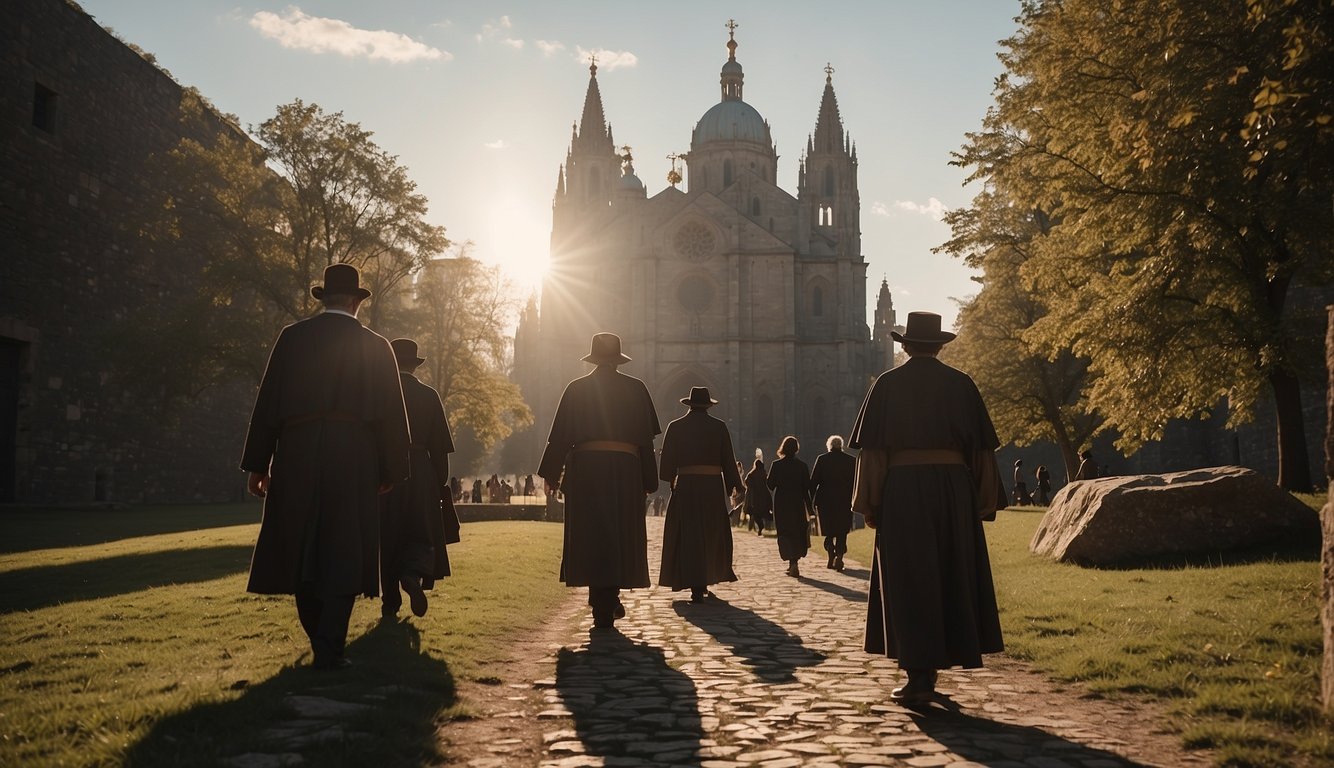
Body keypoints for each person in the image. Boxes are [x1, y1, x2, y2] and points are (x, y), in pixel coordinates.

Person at [240, 263, 410, 670]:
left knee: (301, 543)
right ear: (355, 302)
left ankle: (321, 639)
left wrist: (258, 463)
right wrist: (390, 470)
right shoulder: (376, 346)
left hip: (296, 450)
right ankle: (329, 644)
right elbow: (391, 415)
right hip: (353, 454)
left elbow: (267, 404)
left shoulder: (292, 339)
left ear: (325, 299)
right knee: (345, 546)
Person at [849, 310, 1005, 703]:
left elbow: (875, 452)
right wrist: (983, 502)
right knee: (950, 572)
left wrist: (869, 502)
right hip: (953, 491)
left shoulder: (887, 385)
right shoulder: (961, 384)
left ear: (906, 345)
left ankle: (919, 673)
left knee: (909, 577)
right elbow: (982, 452)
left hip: (903, 490)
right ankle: (932, 669)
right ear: (938, 345)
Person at [538, 333, 660, 629]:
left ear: (593, 358)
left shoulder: (576, 389)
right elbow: (645, 442)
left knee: (591, 534)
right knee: (619, 533)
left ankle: (601, 599)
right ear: (618, 360)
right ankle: (609, 597)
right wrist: (648, 480)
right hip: (624, 471)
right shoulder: (636, 389)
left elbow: (560, 439)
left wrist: (551, 475)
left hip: (586, 472)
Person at [379, 338, 458, 620]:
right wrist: (439, 482)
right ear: (414, 365)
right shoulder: (429, 395)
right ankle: (411, 574)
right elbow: (440, 446)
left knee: (388, 535)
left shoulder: (380, 394)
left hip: (387, 472)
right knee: (420, 531)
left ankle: (390, 603)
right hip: (422, 471)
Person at [657, 387, 744, 602]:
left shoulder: (675, 427)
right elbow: (728, 460)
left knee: (688, 533)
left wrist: (672, 480)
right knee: (711, 533)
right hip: (712, 487)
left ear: (689, 404)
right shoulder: (719, 427)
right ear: (708, 405)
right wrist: (735, 485)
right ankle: (705, 577)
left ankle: (693, 580)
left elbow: (666, 465)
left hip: (686, 485)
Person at [767, 435, 812, 577]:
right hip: (797, 502)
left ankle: (791, 562)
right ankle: (794, 562)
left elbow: (770, 485)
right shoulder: (802, 466)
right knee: (797, 531)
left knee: (785, 532)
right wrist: (810, 508)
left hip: (782, 503)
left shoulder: (776, 465)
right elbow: (806, 489)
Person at [810, 434, 856, 572]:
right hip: (845, 501)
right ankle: (840, 555)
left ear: (829, 446)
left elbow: (814, 482)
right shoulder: (850, 460)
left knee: (829, 530)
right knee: (842, 531)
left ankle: (831, 553)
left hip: (825, 502)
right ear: (841, 446)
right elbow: (855, 483)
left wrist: (810, 501)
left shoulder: (822, 459)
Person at [743, 456, 771, 534]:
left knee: (756, 513)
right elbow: (768, 483)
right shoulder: (764, 473)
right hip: (764, 496)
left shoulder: (752, 473)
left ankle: (761, 525)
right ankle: (765, 525)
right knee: (764, 511)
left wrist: (751, 488)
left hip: (754, 497)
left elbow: (747, 482)